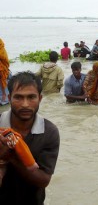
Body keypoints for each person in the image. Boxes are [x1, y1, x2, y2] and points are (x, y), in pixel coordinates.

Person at [0, 71, 60, 204]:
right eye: (18, 97)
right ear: (9, 98)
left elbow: (43, 180)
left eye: (31, 97)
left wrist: (10, 156)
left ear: (40, 98)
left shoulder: (49, 132)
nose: (25, 104)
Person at [0, 38, 10, 105]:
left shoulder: (2, 50)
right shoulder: (2, 49)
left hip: (3, 72)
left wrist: (3, 94)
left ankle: (4, 96)